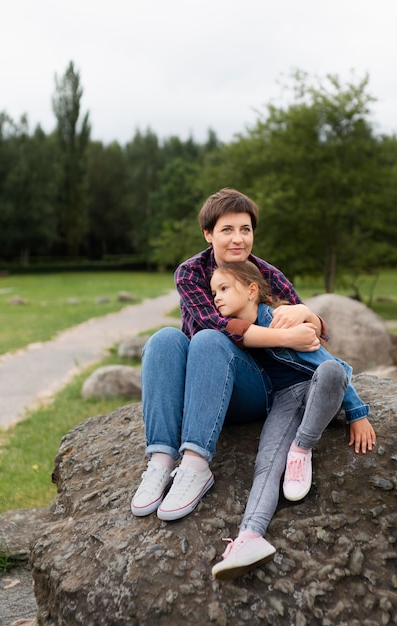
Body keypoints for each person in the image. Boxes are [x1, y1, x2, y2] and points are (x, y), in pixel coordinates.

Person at [131, 188, 325, 523]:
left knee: (207, 341)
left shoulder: (267, 275)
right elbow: (219, 324)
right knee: (164, 339)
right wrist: (283, 334)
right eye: (227, 230)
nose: (238, 239)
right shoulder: (191, 273)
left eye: (245, 229)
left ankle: (195, 466)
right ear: (208, 234)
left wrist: (309, 314)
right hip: (200, 386)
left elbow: (319, 334)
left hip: (252, 389)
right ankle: (161, 462)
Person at [209, 260, 376, 580]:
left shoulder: (277, 319)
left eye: (224, 288)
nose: (216, 297)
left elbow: (326, 362)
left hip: (318, 387)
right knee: (267, 463)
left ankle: (302, 449)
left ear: (251, 290)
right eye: (214, 291)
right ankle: (250, 537)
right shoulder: (232, 332)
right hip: (283, 401)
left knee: (331, 371)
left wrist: (357, 413)